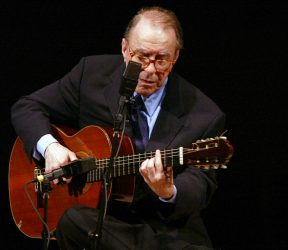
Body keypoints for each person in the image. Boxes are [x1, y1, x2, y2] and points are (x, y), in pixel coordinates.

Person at [11, 6, 226, 250]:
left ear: (175, 57)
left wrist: (168, 191)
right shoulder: (91, 74)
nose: (150, 70)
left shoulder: (204, 114)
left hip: (165, 231)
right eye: (142, 57)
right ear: (124, 48)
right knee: (72, 221)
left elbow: (200, 185)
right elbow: (27, 107)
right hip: (100, 222)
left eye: (161, 59)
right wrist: (50, 148)